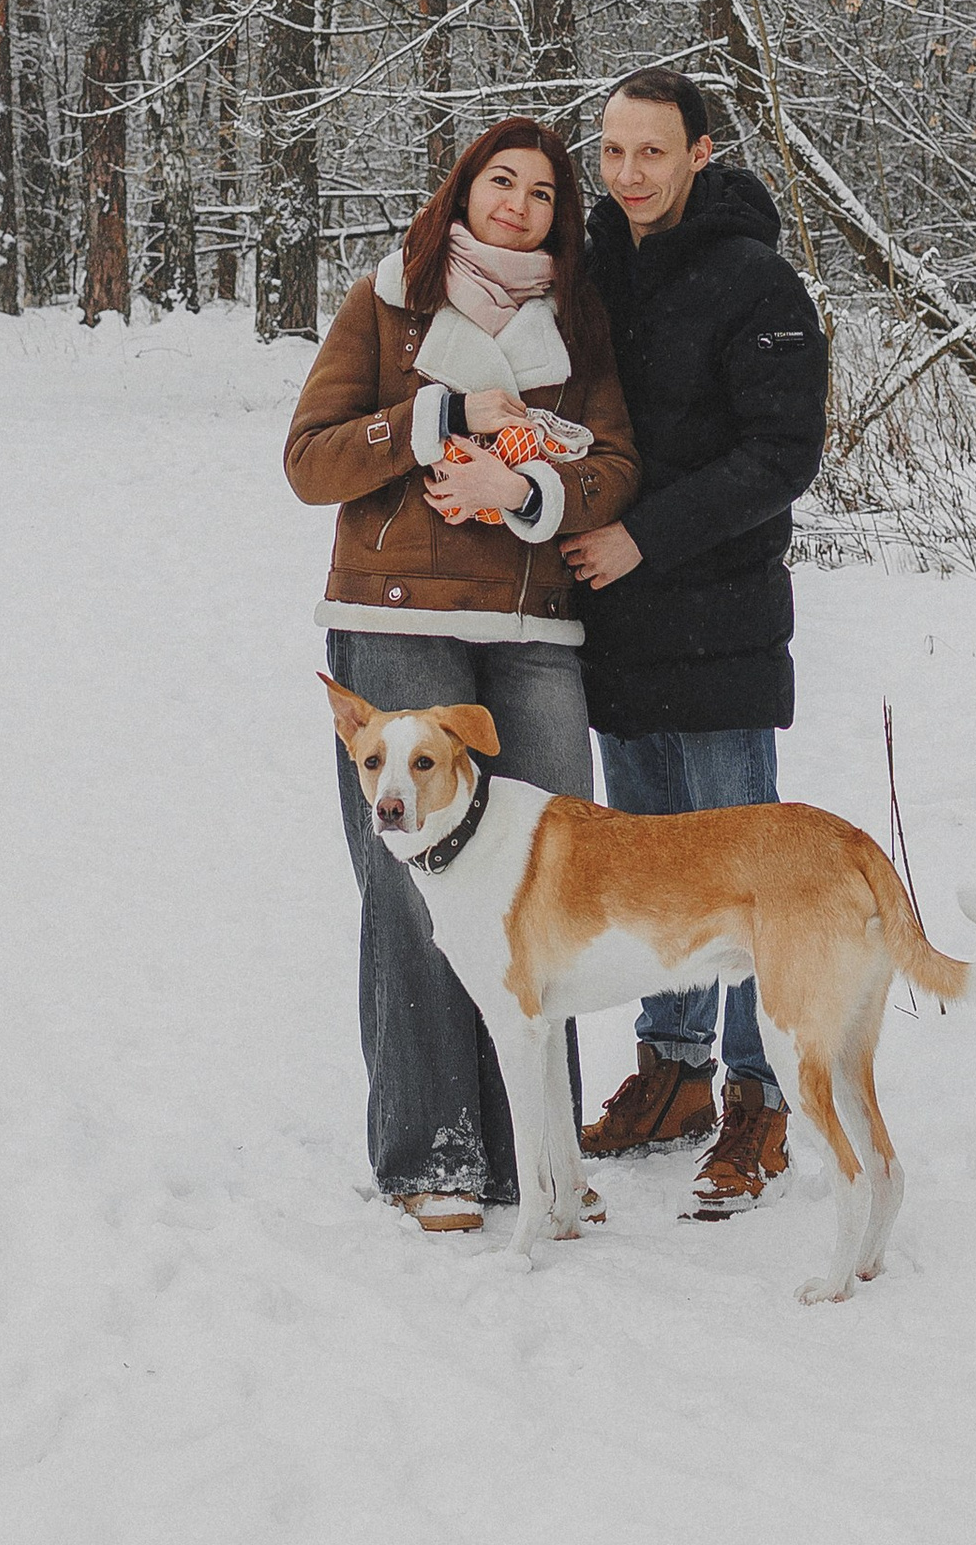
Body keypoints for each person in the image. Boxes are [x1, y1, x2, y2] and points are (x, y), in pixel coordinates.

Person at [286, 118, 638, 1234]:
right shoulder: (388, 302)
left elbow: (615, 464)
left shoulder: (576, 322)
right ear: (464, 188)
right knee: (411, 884)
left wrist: (522, 490)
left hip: (533, 630)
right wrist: (436, 418)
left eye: (542, 193)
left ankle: (539, 1159)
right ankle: (431, 1151)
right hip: (396, 620)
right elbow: (309, 461)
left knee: (550, 888)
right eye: (501, 182)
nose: (517, 206)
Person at [559, 67, 828, 1216]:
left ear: (700, 154)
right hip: (618, 631)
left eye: (652, 153)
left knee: (744, 884)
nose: (627, 174)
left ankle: (759, 1098)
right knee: (648, 877)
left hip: (716, 628)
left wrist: (643, 537)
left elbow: (781, 454)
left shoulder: (753, 278)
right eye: (612, 151)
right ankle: (671, 1073)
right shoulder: (589, 272)